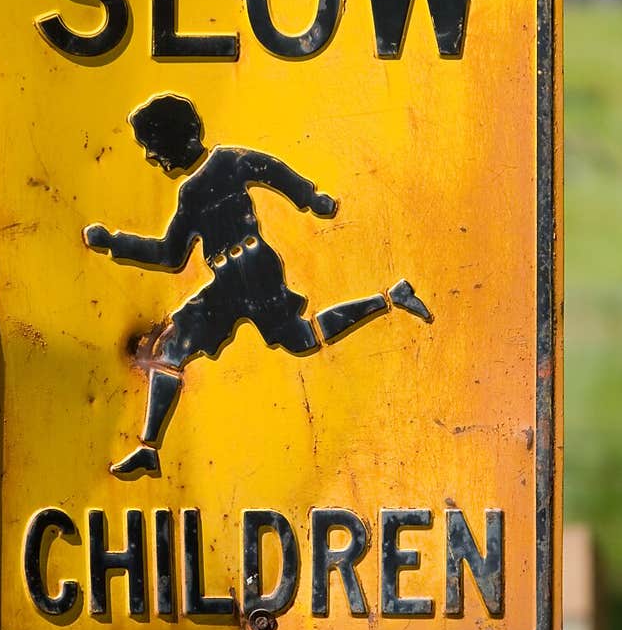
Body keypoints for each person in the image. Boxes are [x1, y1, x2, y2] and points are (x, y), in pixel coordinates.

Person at [84, 94, 432, 478]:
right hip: (225, 283)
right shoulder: (189, 194)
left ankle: (390, 297)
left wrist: (309, 197)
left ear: (173, 138)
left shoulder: (228, 162)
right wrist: (115, 243)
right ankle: (149, 448)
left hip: (256, 270)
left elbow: (271, 170)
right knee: (171, 347)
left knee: (304, 337)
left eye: (152, 147)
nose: (152, 158)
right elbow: (170, 253)